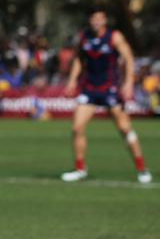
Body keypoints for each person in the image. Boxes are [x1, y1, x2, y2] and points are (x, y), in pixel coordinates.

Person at [61, 10, 150, 183]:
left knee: (125, 128)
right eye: (93, 18)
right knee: (77, 128)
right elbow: (79, 59)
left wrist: (128, 83)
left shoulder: (114, 37)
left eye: (99, 19)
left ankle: (141, 168)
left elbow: (129, 58)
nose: (95, 22)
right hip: (89, 89)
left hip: (110, 89)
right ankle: (80, 169)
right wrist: (72, 80)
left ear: (105, 21)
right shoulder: (84, 36)